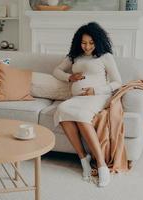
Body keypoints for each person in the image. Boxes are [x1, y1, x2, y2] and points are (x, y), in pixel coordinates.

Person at [53, 22, 122, 187]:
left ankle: (101, 164)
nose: (87, 46)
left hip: (97, 97)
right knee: (62, 110)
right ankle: (84, 159)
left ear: (98, 41)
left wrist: (95, 91)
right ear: (79, 42)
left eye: (91, 43)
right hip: (77, 99)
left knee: (82, 116)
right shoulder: (74, 56)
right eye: (84, 43)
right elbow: (56, 71)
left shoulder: (105, 57)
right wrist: (69, 77)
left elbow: (118, 82)